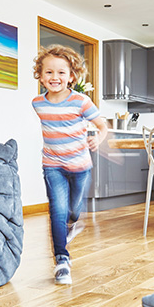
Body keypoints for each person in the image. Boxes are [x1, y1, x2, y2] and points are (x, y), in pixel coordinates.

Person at [32, 44, 108, 285]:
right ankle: (62, 260)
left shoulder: (81, 102)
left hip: (80, 166)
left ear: (72, 76)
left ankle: (74, 221)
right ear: (40, 75)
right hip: (52, 164)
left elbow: (103, 125)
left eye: (61, 72)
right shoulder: (37, 103)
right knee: (57, 210)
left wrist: (98, 137)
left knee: (72, 211)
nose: (55, 77)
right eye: (49, 72)